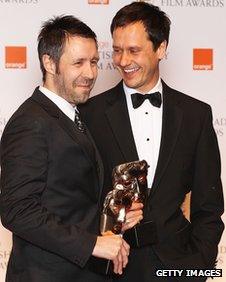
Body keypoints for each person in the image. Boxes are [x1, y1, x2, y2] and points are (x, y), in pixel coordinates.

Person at [80, 2, 224, 281]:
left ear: (161, 49)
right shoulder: (90, 114)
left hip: (177, 266)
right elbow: (74, 196)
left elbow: (209, 206)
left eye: (133, 50)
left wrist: (199, 266)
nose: (122, 61)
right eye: (118, 50)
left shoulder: (196, 115)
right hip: (110, 268)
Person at [0, 15, 143, 282]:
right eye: (78, 63)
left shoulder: (74, 115)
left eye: (93, 62)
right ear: (49, 63)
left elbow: (71, 199)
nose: (90, 74)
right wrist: (92, 244)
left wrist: (116, 218)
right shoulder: (31, 122)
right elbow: (17, 210)